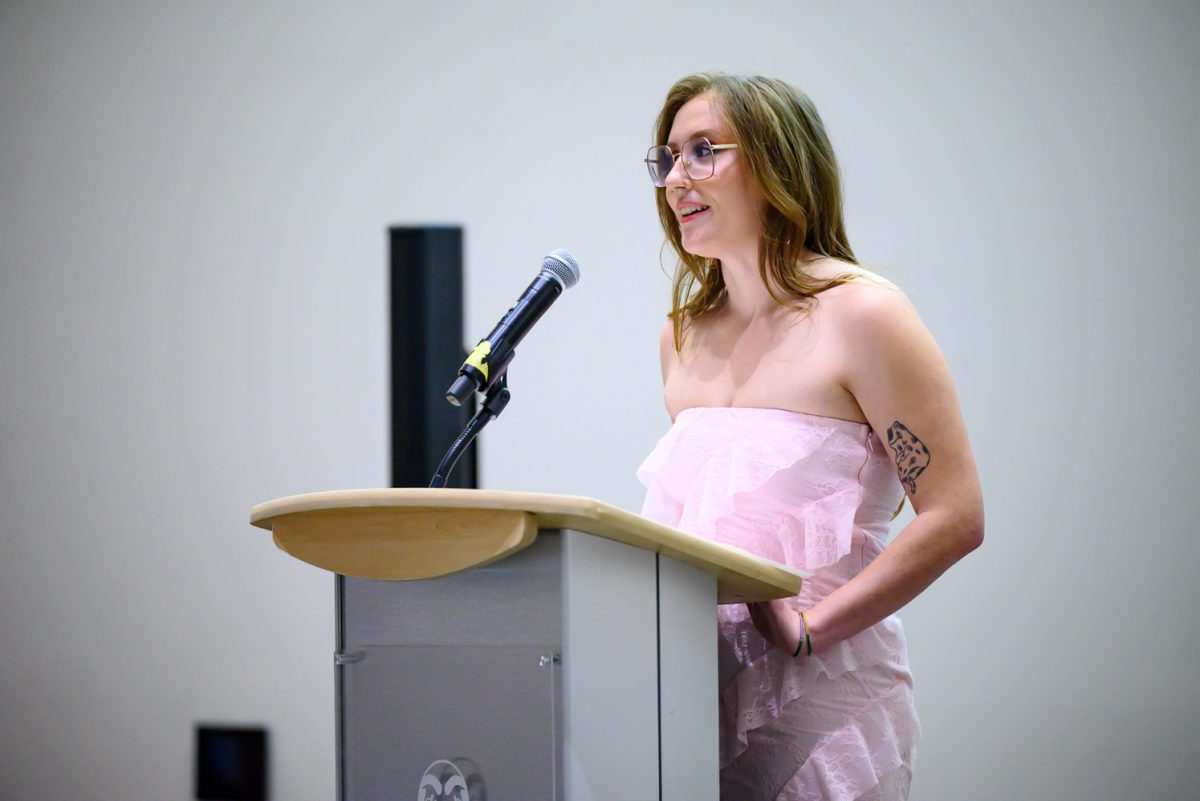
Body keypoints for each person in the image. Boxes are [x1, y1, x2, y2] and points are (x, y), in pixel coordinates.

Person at [636, 73, 985, 801]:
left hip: (821, 702)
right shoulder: (680, 339)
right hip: (690, 698)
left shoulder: (864, 315)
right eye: (666, 158)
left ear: (777, 163)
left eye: (704, 151)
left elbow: (956, 514)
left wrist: (809, 629)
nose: (676, 179)